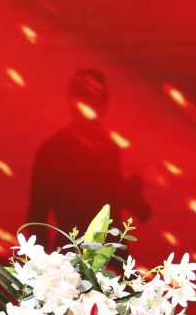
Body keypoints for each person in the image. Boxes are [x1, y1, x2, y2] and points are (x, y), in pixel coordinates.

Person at [27, 68, 151, 250]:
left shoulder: (106, 148)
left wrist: (131, 199)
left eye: (99, 97)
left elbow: (108, 197)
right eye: (91, 96)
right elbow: (38, 214)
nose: (97, 104)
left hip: (96, 249)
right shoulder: (54, 150)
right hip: (83, 249)